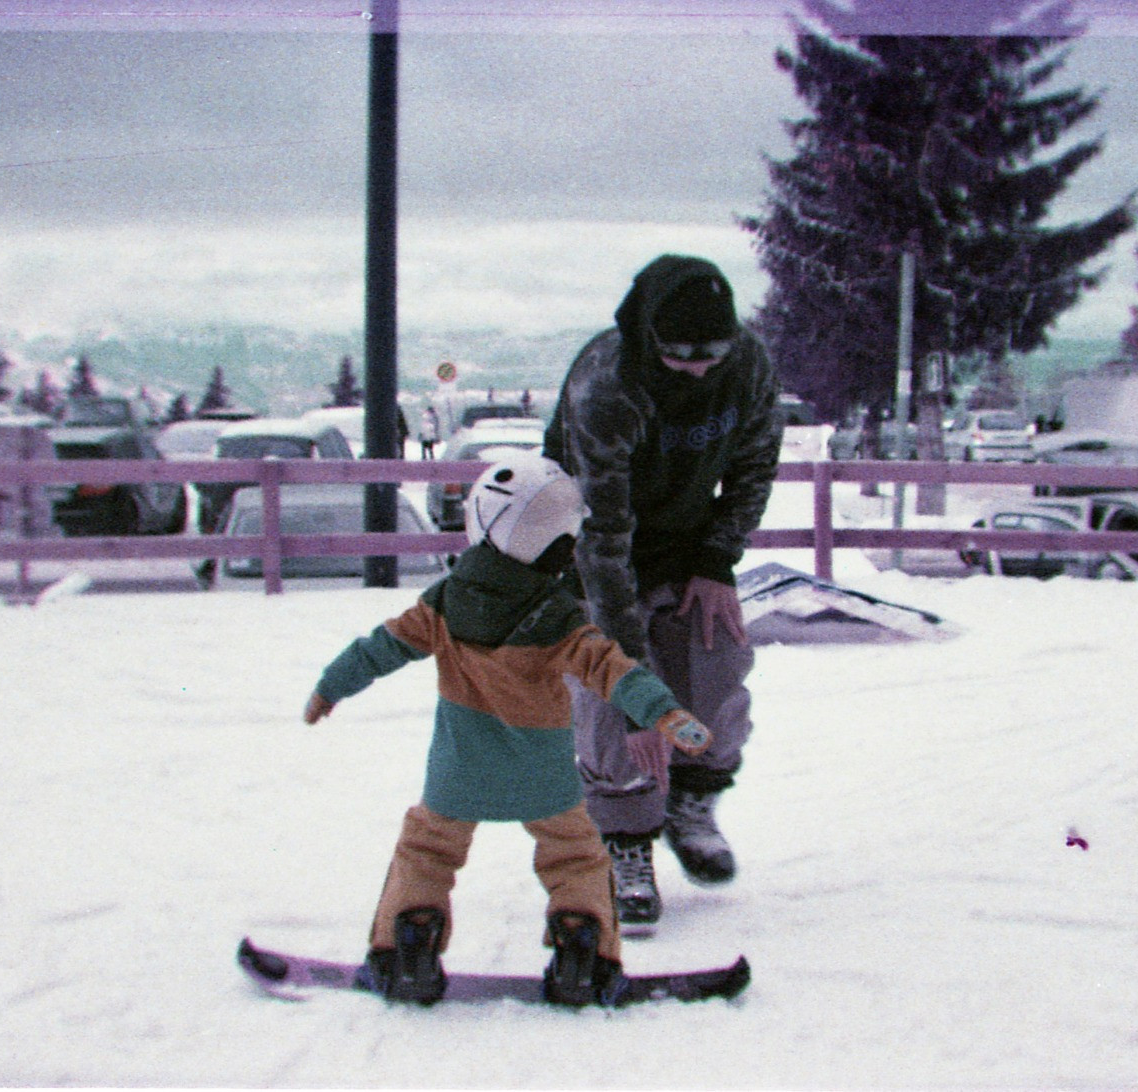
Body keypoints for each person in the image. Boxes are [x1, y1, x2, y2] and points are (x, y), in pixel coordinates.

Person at [302, 450, 713, 1005]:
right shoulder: (561, 618)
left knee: (427, 850)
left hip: (458, 772)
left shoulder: (443, 604)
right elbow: (612, 669)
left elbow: (382, 648)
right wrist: (664, 711)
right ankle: (583, 951)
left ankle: (409, 945)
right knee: (576, 856)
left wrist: (332, 685)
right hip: (541, 775)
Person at [543, 254, 782, 925]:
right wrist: (632, 679)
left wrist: (716, 559)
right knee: (611, 701)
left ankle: (688, 801)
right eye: (681, 355)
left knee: (718, 661)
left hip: (685, 543)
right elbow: (601, 532)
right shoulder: (606, 388)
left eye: (714, 351)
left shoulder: (749, 367)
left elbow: (755, 463)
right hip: (592, 549)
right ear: (649, 337)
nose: (700, 368)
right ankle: (623, 839)